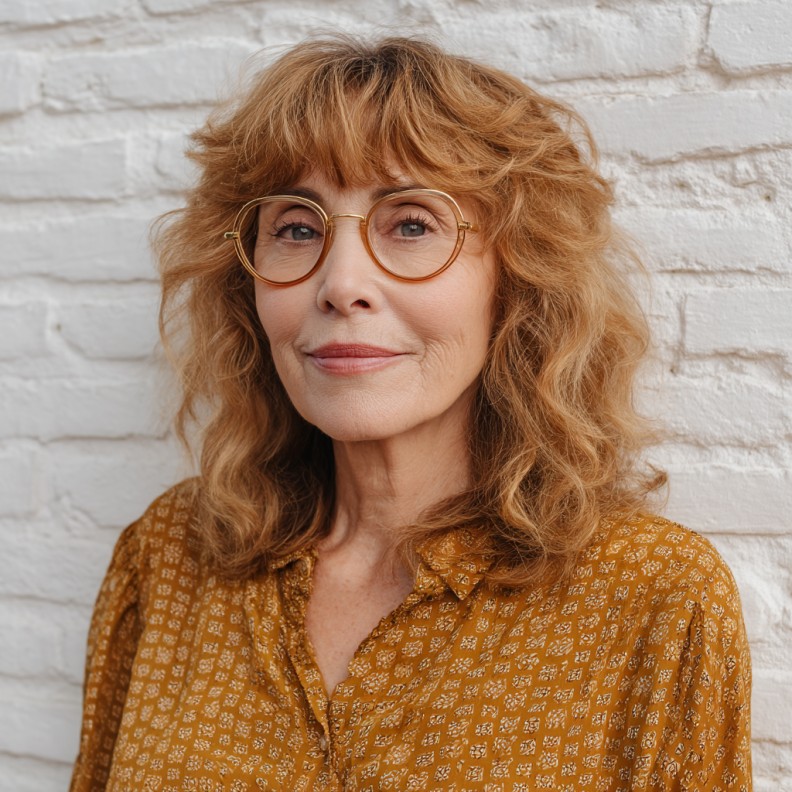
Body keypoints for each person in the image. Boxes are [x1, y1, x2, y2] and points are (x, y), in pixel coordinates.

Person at [69, 35, 751, 791]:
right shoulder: (169, 556)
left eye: (412, 223)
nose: (341, 285)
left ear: (517, 277)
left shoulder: (653, 599)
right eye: (297, 228)